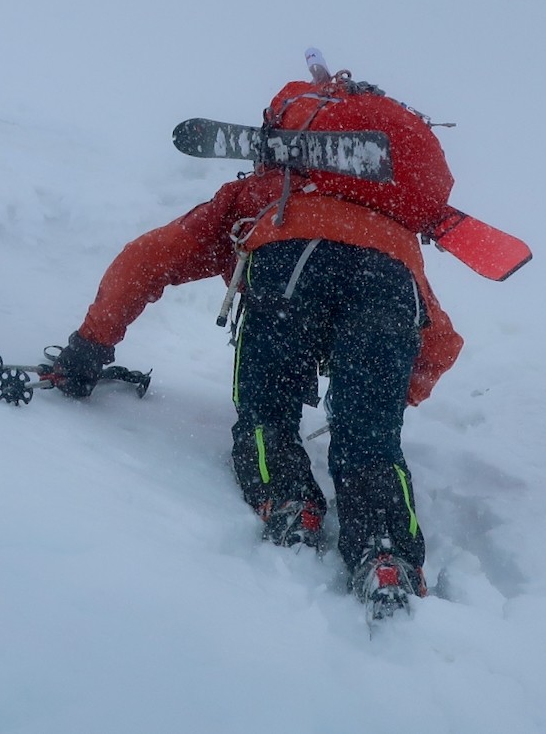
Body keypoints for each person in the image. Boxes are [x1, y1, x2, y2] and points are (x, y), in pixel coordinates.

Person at [45, 56, 464, 613]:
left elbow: (145, 260)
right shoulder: (394, 236)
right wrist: (384, 394)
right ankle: (388, 557)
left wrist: (89, 348)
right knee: (372, 442)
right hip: (392, 289)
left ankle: (290, 502)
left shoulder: (260, 193)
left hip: (288, 260)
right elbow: (440, 344)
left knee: (268, 413)